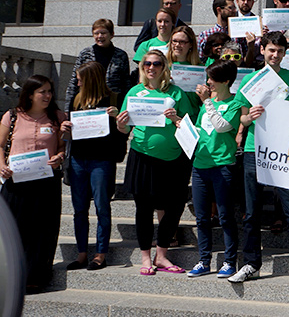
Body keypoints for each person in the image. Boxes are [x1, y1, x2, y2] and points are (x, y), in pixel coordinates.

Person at [229, 32, 289, 284]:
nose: (275, 55)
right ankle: (250, 264)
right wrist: (250, 116)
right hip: (253, 148)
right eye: (270, 50)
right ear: (262, 51)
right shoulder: (252, 80)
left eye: (279, 51)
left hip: (286, 150)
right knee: (252, 211)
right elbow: (242, 119)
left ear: (285, 53)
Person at [116, 50, 193, 275]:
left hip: (174, 159)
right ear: (142, 68)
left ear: (164, 67)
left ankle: (161, 255)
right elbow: (125, 128)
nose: (151, 67)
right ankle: (145, 258)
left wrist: (176, 119)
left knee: (175, 206)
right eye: (147, 63)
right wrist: (121, 125)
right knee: (144, 208)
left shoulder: (177, 93)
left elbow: (189, 125)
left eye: (156, 63)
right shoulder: (134, 91)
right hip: (142, 156)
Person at [0, 75, 66, 292]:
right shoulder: (11, 117)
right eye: (42, 92)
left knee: (42, 230)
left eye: (50, 91)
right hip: (16, 182)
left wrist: (59, 157)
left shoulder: (57, 117)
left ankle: (35, 276)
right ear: (30, 94)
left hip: (46, 182)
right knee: (14, 230)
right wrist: (1, 165)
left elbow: (62, 148)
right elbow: (0, 146)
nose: (48, 96)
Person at [64, 62, 126, 271]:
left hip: (102, 160)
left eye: (80, 78)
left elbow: (124, 131)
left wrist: (117, 116)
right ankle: (82, 253)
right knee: (79, 209)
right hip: (78, 160)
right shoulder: (76, 100)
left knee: (102, 206)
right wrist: (67, 128)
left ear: (91, 79)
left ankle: (100, 253)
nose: (77, 81)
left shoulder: (113, 99)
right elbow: (72, 133)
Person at [185, 60, 243, 278]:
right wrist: (182, 125)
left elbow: (221, 127)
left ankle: (229, 261)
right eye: (208, 78)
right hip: (200, 165)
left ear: (226, 81)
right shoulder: (206, 104)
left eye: (212, 79)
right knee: (201, 217)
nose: (208, 82)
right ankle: (204, 260)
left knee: (226, 216)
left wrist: (208, 102)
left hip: (222, 165)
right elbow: (202, 128)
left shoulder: (235, 104)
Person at [67, 19, 131, 110]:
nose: (99, 36)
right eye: (96, 33)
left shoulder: (121, 55)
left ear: (112, 34)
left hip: (112, 102)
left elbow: (126, 83)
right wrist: (67, 108)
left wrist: (124, 107)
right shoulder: (85, 54)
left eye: (103, 33)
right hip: (87, 100)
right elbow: (74, 81)